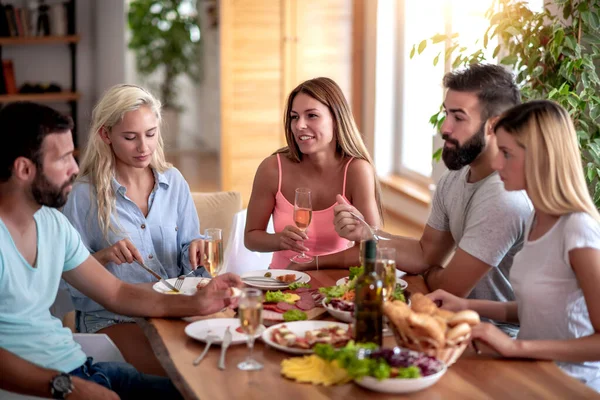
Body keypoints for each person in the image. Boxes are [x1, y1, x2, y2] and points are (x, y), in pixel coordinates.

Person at [0, 101, 241, 399]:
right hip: (48, 385)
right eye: (63, 159)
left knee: (204, 391)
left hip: (80, 366)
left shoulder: (52, 225)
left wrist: (200, 302)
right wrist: (67, 388)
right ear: (24, 168)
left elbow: (117, 293)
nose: (75, 169)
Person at [330, 64, 533, 335]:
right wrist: (370, 235)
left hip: (500, 339)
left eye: (458, 118)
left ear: (493, 125)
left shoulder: (503, 195)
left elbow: (448, 287)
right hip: (455, 323)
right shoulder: (455, 178)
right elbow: (426, 253)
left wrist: (430, 273)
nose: (445, 128)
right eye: (446, 114)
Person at [428, 100, 600, 391]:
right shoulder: (537, 219)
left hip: (571, 386)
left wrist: (514, 348)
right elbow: (537, 309)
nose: (496, 164)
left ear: (540, 158)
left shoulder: (578, 230)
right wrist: (466, 305)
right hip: (531, 374)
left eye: (506, 154)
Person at [60, 84, 208, 374]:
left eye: (151, 134)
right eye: (130, 137)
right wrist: (104, 256)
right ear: (106, 135)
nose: (144, 147)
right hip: (111, 318)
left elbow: (192, 259)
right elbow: (67, 281)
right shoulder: (83, 194)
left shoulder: (174, 181)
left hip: (172, 310)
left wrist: (196, 250)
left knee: (217, 364)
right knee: (173, 375)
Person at [244, 77, 383, 269]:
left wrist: (312, 263)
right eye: (294, 117)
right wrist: (279, 240)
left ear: (336, 119)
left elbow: (373, 248)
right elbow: (251, 237)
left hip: (336, 286)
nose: (299, 125)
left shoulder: (357, 171)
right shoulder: (272, 169)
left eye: (311, 115)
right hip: (283, 281)